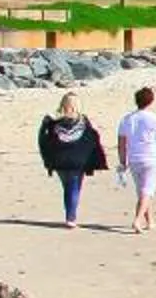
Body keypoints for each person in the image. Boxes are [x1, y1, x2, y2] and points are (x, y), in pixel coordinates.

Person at [35, 94, 107, 230]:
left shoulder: (53, 123)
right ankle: (71, 218)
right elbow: (93, 138)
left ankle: (70, 214)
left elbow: (43, 139)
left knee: (68, 187)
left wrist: (48, 159)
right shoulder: (84, 121)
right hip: (77, 161)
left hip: (60, 162)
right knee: (74, 188)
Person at [115, 85, 156, 233]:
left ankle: (150, 221)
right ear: (151, 101)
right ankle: (137, 220)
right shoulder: (155, 119)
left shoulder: (126, 119)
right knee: (147, 191)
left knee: (143, 191)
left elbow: (121, 143)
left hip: (134, 159)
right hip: (150, 159)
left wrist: (123, 161)